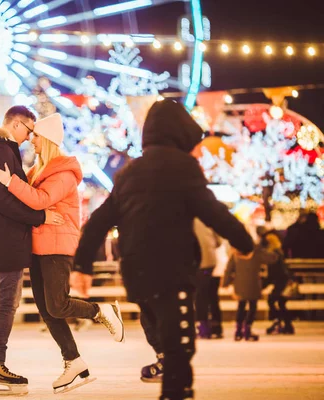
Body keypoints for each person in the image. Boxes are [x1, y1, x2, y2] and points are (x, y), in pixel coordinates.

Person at [72, 99, 254, 400]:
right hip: (171, 269)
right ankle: (176, 392)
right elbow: (212, 211)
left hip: (136, 272)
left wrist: (82, 266)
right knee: (180, 344)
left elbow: (99, 221)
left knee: (165, 335)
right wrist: (243, 242)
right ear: (179, 133)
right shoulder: (182, 167)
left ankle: (175, 385)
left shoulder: (130, 172)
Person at [0, 113, 124, 394]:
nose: (31, 140)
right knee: (48, 310)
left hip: (57, 246)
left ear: (47, 139)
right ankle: (74, 362)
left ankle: (102, 311)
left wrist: (9, 181)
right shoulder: (38, 169)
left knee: (58, 305)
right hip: (39, 246)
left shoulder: (63, 172)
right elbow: (29, 200)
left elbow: (40, 199)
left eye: (35, 136)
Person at [0, 105, 64, 396]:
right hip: (4, 234)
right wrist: (40, 217)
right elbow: (3, 199)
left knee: (3, 298)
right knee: (7, 300)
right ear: (17, 124)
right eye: (30, 131)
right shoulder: (1, 149)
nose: (30, 138)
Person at [222, 241, 278, 342]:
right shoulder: (256, 252)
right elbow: (271, 258)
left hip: (239, 285)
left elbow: (229, 269)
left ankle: (238, 331)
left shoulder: (236, 253)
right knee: (252, 307)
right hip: (253, 284)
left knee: (241, 306)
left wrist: (225, 283)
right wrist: (273, 250)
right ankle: (247, 329)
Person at [258, 227, 294, 335]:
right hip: (282, 280)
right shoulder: (278, 253)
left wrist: (263, 285)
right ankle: (285, 324)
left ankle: (280, 321)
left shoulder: (274, 255)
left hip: (281, 281)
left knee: (273, 301)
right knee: (280, 303)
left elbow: (274, 272)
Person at [193, 219, 223, 339]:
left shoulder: (186, 218)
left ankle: (202, 326)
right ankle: (216, 326)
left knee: (200, 295)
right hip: (211, 261)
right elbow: (219, 242)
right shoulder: (207, 218)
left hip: (196, 262)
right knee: (211, 294)